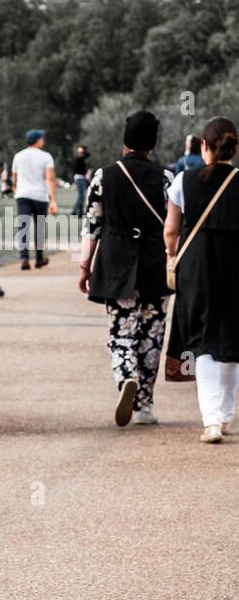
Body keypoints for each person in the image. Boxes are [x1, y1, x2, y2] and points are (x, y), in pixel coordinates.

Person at [77, 110, 174, 427]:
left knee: (122, 331)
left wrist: (84, 265)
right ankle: (145, 404)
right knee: (152, 334)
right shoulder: (166, 178)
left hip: (117, 261)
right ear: (152, 143)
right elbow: (174, 226)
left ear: (125, 140)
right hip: (154, 262)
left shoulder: (104, 176)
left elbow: (92, 225)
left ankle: (125, 376)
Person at [164, 116, 239, 443]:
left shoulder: (183, 181)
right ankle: (225, 415)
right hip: (235, 265)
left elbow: (171, 230)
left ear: (204, 146)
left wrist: (171, 254)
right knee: (233, 341)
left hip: (196, 268)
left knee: (203, 342)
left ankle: (210, 421)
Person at [11, 129, 57, 270]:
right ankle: (38, 258)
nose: (43, 140)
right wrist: (53, 200)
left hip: (23, 194)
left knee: (23, 226)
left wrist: (16, 189)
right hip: (40, 196)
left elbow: (14, 177)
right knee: (40, 227)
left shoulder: (18, 156)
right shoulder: (46, 156)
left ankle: (24, 258)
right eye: (42, 138)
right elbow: (49, 178)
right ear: (37, 140)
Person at [72, 144, 90, 217]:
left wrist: (84, 149)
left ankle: (76, 211)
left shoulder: (82, 158)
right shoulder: (78, 159)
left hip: (82, 178)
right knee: (81, 196)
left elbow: (88, 154)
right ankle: (77, 212)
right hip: (79, 178)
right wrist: (82, 151)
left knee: (81, 196)